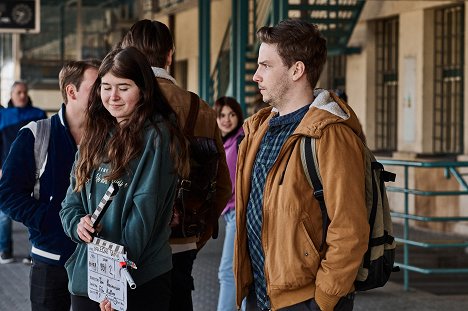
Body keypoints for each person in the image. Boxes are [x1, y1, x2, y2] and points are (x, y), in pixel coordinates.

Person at [234, 19, 370, 311]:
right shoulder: (259, 129)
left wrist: (324, 299)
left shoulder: (330, 134)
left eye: (266, 66)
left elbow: (350, 229)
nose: (256, 75)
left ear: (297, 70)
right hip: (260, 294)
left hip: (305, 299)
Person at [60, 46, 190, 311]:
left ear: (143, 90)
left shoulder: (157, 136)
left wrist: (112, 279)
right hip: (90, 278)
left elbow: (144, 215)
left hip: (136, 280)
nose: (113, 96)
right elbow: (70, 204)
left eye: (123, 87)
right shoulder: (96, 132)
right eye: (106, 87)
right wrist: (77, 225)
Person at [119, 19, 231, 311]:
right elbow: (222, 186)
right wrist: (197, 236)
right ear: (170, 55)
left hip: (130, 241)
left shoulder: (122, 104)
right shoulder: (201, 108)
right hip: (183, 239)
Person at [0, 60, 100, 310]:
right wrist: (50, 222)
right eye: (97, 87)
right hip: (51, 262)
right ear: (71, 91)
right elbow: (8, 193)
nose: (104, 94)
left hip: (99, 265)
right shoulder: (36, 134)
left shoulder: (109, 140)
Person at [0, 81, 47, 264]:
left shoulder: (38, 113)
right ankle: (5, 251)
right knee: (4, 213)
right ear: (11, 94)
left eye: (24, 92)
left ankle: (34, 251)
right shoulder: (3, 115)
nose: (22, 95)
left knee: (33, 208)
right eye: (18, 92)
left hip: (35, 168)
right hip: (8, 169)